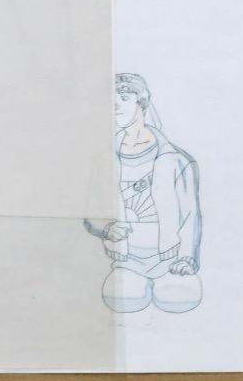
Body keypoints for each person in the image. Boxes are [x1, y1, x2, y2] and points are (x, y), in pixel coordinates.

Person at [84, 74, 202, 313]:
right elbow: (90, 212)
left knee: (180, 300)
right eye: (110, 100)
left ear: (142, 101)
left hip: (169, 260)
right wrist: (106, 228)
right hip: (127, 260)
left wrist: (187, 257)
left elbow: (191, 213)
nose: (116, 106)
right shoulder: (103, 161)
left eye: (124, 97)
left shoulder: (177, 159)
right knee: (124, 299)